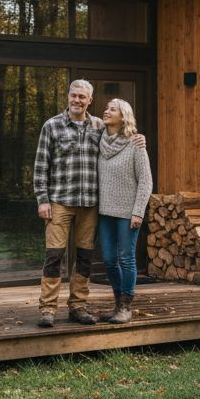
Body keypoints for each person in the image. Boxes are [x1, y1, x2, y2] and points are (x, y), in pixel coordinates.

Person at [32, 79, 144, 327]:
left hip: (90, 205)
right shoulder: (51, 126)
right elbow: (40, 166)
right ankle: (48, 308)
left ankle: (78, 306)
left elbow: (121, 136)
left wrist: (139, 139)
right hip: (60, 202)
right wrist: (42, 200)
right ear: (68, 96)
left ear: (89, 100)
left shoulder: (99, 127)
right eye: (74, 95)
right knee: (54, 256)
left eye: (82, 97)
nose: (77, 100)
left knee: (84, 258)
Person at [96, 98, 152, 324]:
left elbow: (146, 181)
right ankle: (117, 303)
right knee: (109, 260)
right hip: (104, 212)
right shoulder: (99, 141)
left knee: (126, 259)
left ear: (124, 116)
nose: (106, 111)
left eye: (112, 109)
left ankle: (126, 306)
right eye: (106, 108)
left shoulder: (135, 144)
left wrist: (138, 212)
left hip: (128, 213)